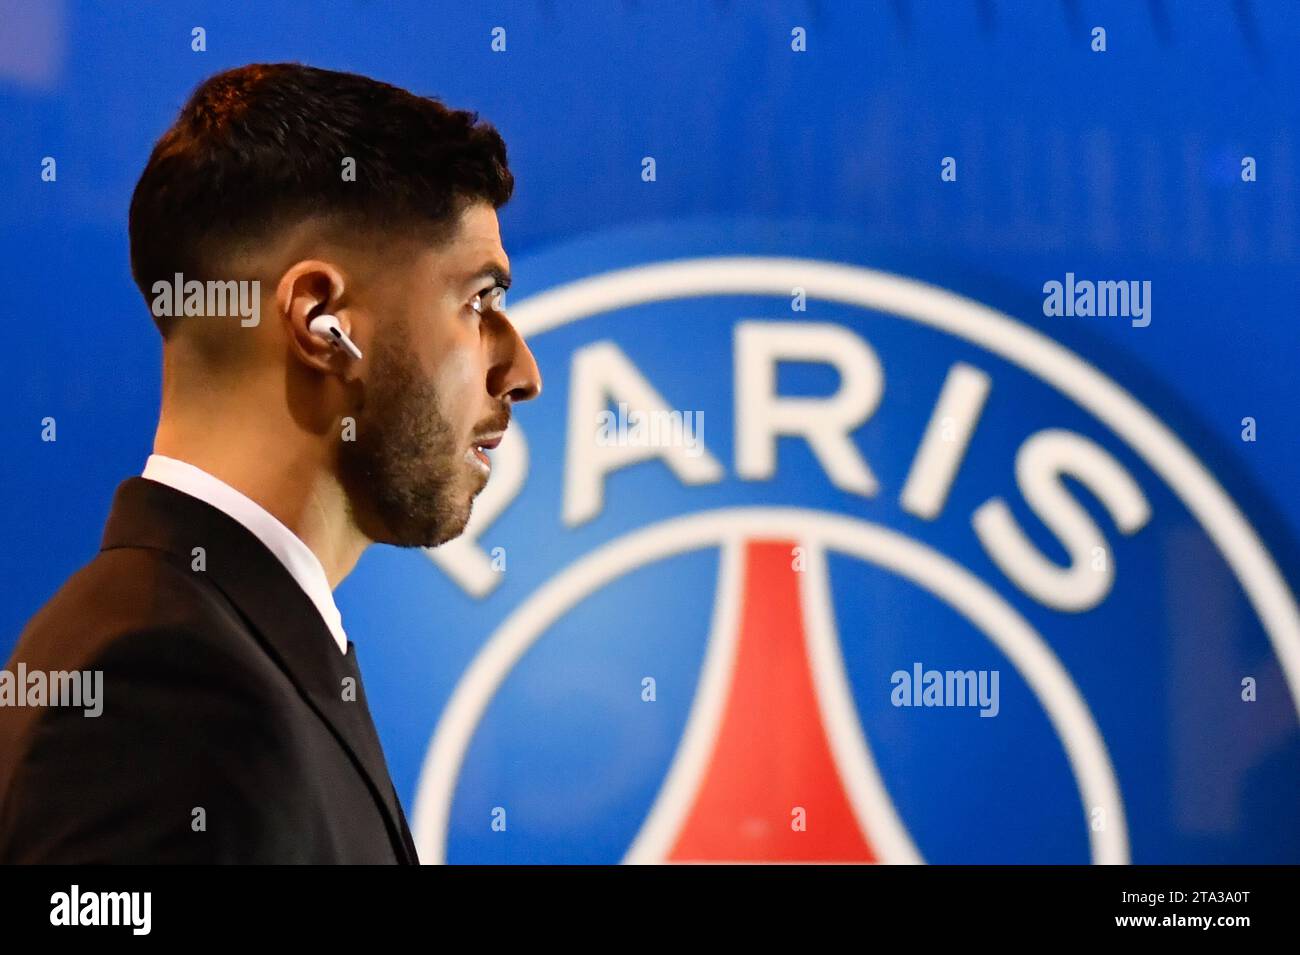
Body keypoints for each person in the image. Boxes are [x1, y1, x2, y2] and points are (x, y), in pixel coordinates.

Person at [0, 62, 541, 863]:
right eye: (478, 303)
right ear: (322, 320)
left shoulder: (237, 649)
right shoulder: (163, 689)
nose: (522, 370)